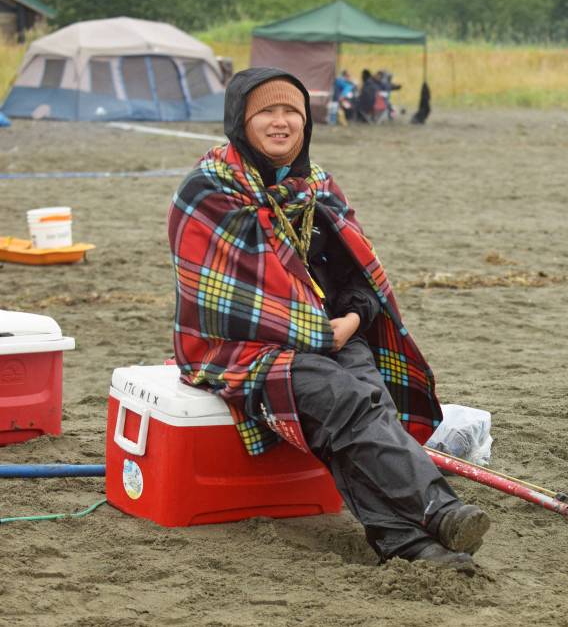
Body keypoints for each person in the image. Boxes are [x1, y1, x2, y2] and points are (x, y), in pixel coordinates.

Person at [168, 68, 489, 571]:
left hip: (331, 335)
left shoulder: (315, 185)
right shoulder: (210, 190)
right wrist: (319, 332)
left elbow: (358, 277)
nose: (281, 122)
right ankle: (438, 509)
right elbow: (222, 300)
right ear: (240, 122)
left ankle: (407, 543)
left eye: (291, 111)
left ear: (306, 120)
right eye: (266, 113)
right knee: (343, 400)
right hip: (239, 348)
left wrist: (351, 322)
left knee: (369, 399)